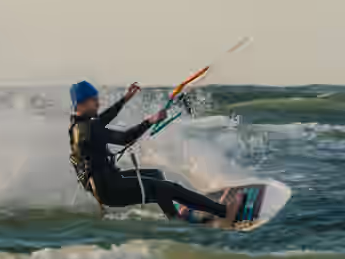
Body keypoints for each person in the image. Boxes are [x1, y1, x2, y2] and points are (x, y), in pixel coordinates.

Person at [68, 80, 240, 223]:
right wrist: (150, 121)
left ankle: (175, 219)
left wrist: (125, 99)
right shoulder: (88, 129)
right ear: (82, 103)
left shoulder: (79, 125)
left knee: (156, 174)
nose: (98, 103)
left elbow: (102, 119)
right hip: (110, 189)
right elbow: (125, 138)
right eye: (94, 100)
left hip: (107, 183)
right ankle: (224, 212)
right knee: (169, 189)